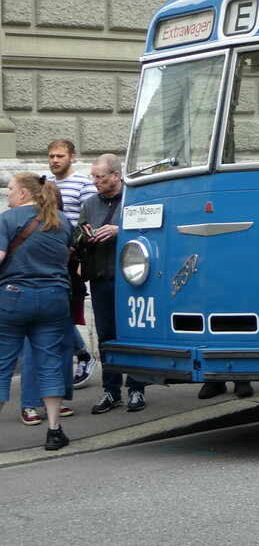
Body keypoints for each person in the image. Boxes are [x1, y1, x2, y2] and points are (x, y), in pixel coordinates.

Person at [18, 139, 98, 425]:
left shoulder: (72, 204)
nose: (54, 160)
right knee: (39, 342)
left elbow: (88, 225)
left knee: (61, 339)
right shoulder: (28, 215)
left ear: (72, 157)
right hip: (38, 287)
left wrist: (78, 263)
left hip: (67, 277)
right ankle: (31, 403)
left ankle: (55, 398)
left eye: (59, 155)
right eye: (50, 155)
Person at [0, 173, 74, 450]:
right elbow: (65, 255)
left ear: (24, 194)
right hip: (55, 299)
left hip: (13, 299)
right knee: (50, 363)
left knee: (2, 365)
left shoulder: (6, 220)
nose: (7, 194)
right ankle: (54, 431)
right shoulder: (63, 220)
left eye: (10, 189)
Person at [79, 154, 148, 414]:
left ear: (116, 176)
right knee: (106, 336)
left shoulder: (136, 199)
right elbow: (78, 231)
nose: (95, 182)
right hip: (100, 276)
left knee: (131, 333)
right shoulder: (89, 203)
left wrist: (119, 231)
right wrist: (86, 235)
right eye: (93, 177)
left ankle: (136, 388)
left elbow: (150, 230)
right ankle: (110, 390)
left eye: (100, 177)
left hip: (132, 278)